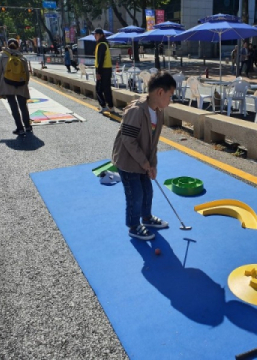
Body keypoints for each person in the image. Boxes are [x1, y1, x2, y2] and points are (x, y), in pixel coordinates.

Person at [111, 71, 176, 240]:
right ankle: (133, 226)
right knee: (135, 195)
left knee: (147, 191)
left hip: (143, 161)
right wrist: (145, 163)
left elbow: (153, 142)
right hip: (128, 161)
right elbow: (128, 140)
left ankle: (146, 218)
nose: (171, 101)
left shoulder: (158, 111)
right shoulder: (137, 111)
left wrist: (152, 164)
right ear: (160, 92)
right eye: (170, 96)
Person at [0, 38, 32, 136]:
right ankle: (28, 126)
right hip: (20, 84)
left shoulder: (2, 56)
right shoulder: (22, 57)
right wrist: (25, 84)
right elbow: (27, 74)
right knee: (23, 107)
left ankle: (20, 129)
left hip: (7, 84)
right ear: (18, 46)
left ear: (7, 45)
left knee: (14, 107)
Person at [94, 28, 114, 113]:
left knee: (98, 89)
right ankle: (111, 106)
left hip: (103, 69)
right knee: (106, 89)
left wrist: (98, 72)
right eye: (94, 35)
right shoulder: (105, 44)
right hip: (107, 69)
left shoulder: (101, 45)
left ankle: (103, 105)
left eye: (97, 34)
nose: (95, 36)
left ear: (101, 35)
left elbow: (100, 59)